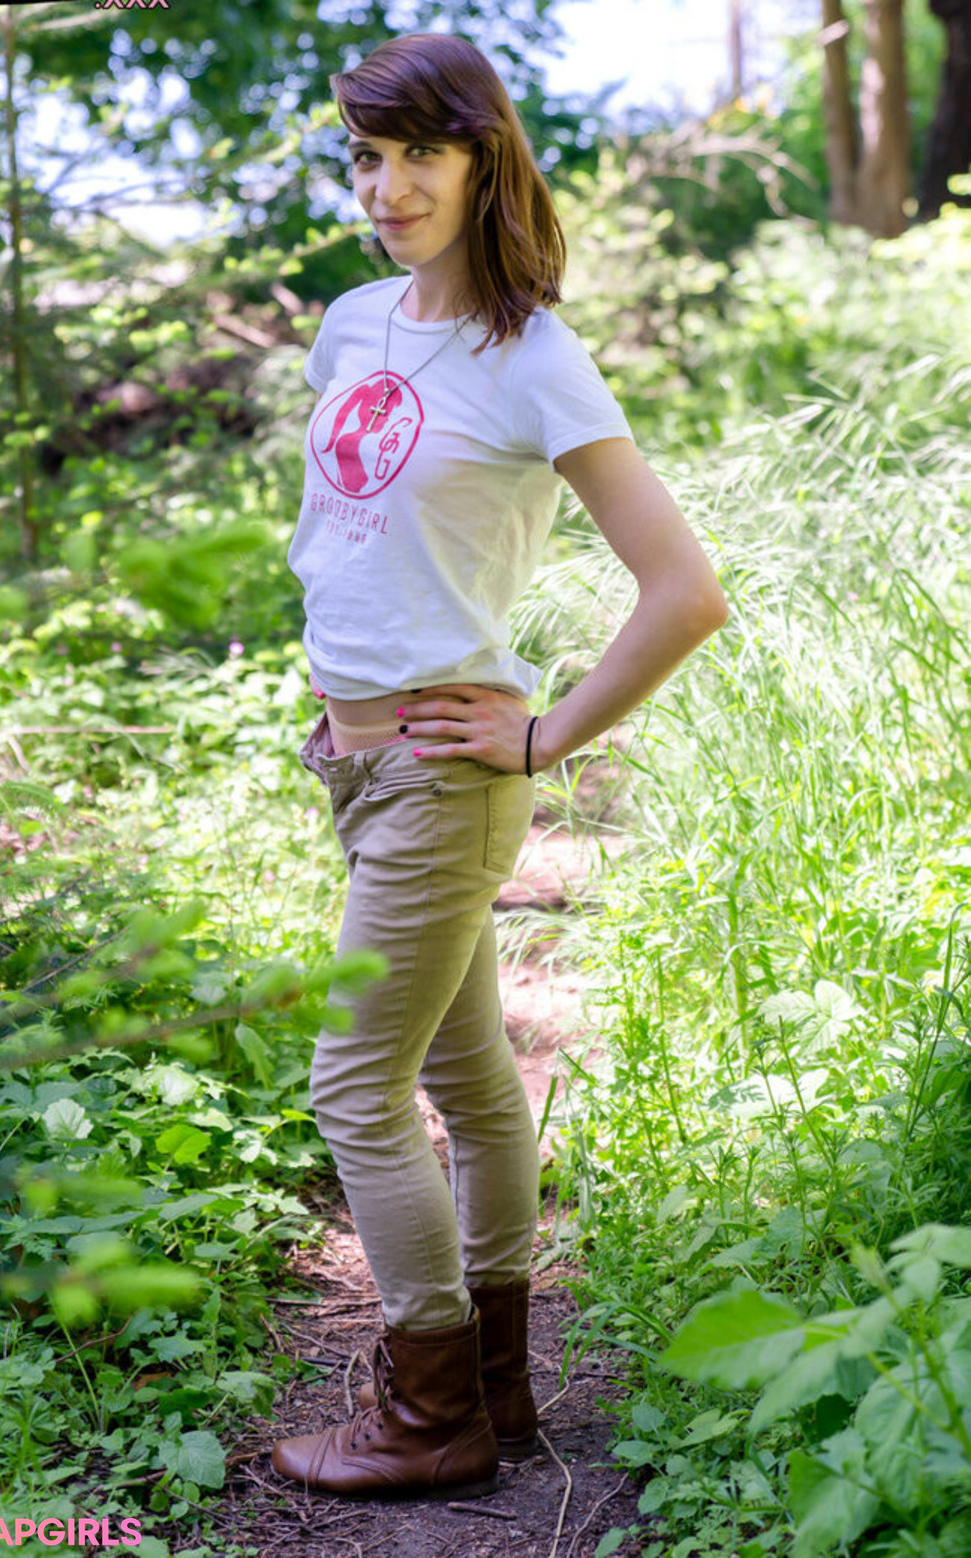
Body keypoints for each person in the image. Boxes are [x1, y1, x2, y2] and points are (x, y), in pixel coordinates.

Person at [273, 31, 729, 1501]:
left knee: (356, 1086)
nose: (387, 185)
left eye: (423, 152)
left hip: (444, 774)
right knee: (469, 1080)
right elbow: (353, 541)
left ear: (485, 162)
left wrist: (545, 735)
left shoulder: (534, 355)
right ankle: (500, 1390)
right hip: (356, 767)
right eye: (367, 155)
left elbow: (685, 591)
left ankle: (429, 1414)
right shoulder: (352, 323)